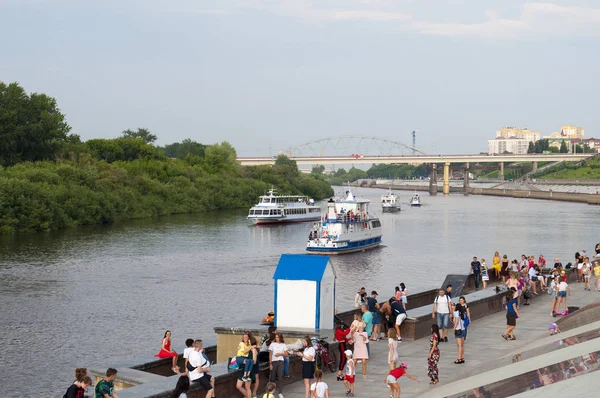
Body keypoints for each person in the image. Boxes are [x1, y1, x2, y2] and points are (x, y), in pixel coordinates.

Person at [269, 332, 288, 398]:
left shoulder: (283, 345)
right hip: (274, 362)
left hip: (280, 362)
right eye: (276, 337)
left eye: (278, 337)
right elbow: (270, 354)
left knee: (280, 377)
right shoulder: (272, 344)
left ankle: (280, 392)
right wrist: (270, 363)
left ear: (280, 338)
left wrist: (280, 354)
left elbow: (286, 354)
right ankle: (272, 392)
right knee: (273, 378)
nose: (277, 338)